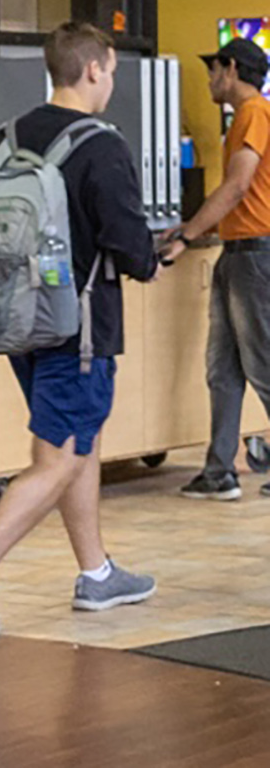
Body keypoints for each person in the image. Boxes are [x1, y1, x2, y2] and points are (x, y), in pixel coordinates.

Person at [0, 23, 162, 637]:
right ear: (92, 70)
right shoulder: (102, 145)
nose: (110, 81)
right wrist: (151, 259)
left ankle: (97, 574)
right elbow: (128, 241)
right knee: (59, 455)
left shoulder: (5, 140)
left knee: (71, 443)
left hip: (17, 322)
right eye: (110, 70)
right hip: (79, 328)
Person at [171, 37, 270, 501]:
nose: (210, 79)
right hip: (236, 253)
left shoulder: (254, 114)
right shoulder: (241, 120)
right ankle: (218, 472)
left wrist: (187, 235)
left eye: (213, 70)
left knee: (263, 363)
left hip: (256, 256)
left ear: (230, 69)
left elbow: (236, 187)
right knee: (222, 367)